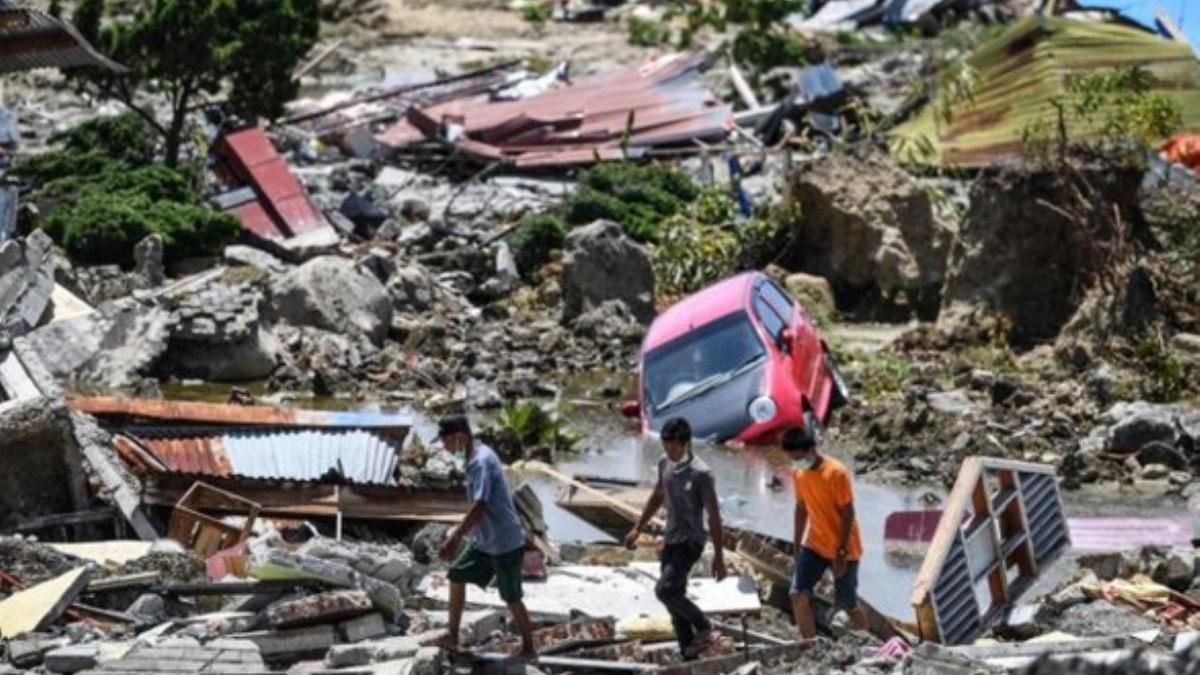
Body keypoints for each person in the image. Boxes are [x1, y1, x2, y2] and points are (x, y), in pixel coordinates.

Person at [431, 415, 537, 661]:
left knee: (511, 596)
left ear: (459, 436)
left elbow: (480, 504)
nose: (445, 448)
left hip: (504, 541)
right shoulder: (474, 457)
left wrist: (456, 537)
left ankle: (530, 649)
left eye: (446, 442)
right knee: (456, 574)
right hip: (486, 539)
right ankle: (453, 635)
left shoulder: (481, 461)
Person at [624, 417, 726, 659]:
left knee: (665, 590)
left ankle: (704, 626)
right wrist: (638, 526)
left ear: (686, 443)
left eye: (673, 447)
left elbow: (714, 517)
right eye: (665, 446)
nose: (668, 451)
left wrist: (719, 558)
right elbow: (658, 495)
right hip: (671, 540)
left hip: (691, 542)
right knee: (674, 602)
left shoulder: (701, 474)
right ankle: (688, 652)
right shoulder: (664, 464)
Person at [784, 425, 866, 639]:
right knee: (798, 594)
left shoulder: (835, 472)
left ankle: (866, 641)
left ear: (811, 449)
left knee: (847, 605)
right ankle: (809, 645)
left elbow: (848, 513)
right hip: (815, 545)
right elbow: (801, 508)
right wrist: (796, 545)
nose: (796, 460)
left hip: (844, 546)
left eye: (798, 455)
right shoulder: (799, 473)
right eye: (792, 457)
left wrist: (840, 553)